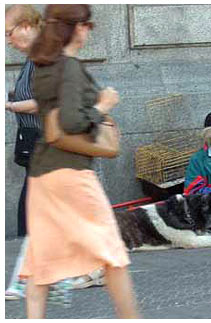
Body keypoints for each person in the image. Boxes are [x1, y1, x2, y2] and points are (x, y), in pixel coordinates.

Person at [20, 5, 140, 318]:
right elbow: (72, 122)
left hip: (42, 174)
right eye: (87, 24)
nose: (89, 30)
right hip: (72, 172)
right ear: (76, 28)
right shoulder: (69, 66)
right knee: (113, 254)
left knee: (40, 261)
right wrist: (103, 105)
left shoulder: (44, 65)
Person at [5, 4, 41, 238]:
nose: (8, 41)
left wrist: (10, 105)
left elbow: (45, 101)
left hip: (46, 143)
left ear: (26, 27)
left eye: (8, 33)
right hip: (35, 142)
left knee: (32, 208)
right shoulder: (34, 57)